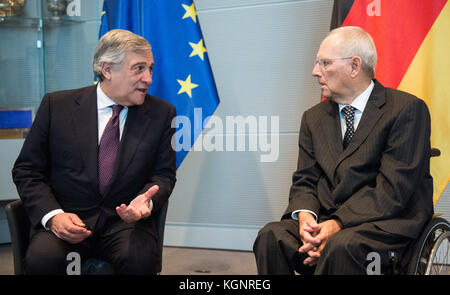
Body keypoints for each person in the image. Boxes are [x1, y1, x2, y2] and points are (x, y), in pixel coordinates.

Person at [253, 26, 434, 275]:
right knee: (271, 236)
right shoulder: (313, 118)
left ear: (354, 66)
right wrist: (306, 217)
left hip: (384, 221)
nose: (315, 72)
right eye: (317, 63)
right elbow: (305, 180)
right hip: (327, 219)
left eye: (325, 63)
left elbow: (392, 191)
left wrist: (337, 223)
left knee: (340, 246)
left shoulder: (406, 110)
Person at [12, 29, 176, 275]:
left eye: (150, 68)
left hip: (125, 225)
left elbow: (163, 175)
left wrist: (146, 202)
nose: (149, 78)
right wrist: (54, 216)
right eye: (139, 68)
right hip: (66, 220)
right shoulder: (56, 107)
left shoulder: (162, 114)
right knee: (43, 261)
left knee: (140, 260)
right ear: (107, 69)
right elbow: (27, 170)